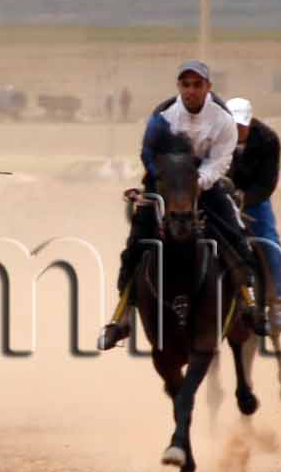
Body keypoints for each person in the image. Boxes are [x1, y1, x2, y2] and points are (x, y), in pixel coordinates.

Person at [97, 60, 265, 351]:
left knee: (235, 235)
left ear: (207, 88)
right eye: (185, 85)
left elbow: (221, 160)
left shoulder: (222, 120)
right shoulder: (164, 117)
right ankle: (120, 318)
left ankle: (249, 303)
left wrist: (196, 183)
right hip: (167, 185)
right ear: (179, 87)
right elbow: (149, 152)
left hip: (205, 185)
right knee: (136, 243)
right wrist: (167, 182)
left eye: (197, 85)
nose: (191, 91)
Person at [225, 98, 281, 329]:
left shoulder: (268, 140)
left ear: (250, 122)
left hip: (256, 202)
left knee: (270, 244)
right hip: (220, 199)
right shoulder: (215, 136)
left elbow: (268, 182)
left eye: (241, 126)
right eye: (233, 126)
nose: (238, 131)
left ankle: (277, 305)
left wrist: (246, 198)